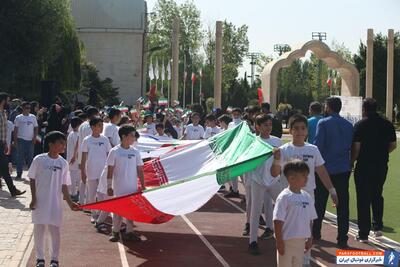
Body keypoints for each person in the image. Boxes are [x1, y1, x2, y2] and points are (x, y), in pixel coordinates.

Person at [271, 114, 338, 266]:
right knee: (286, 227)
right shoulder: (284, 150)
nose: (299, 131)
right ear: (290, 130)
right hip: (288, 197)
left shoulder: (313, 149)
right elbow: (274, 173)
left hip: (308, 195)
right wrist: (276, 159)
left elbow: (321, 171)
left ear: (307, 131)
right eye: (296, 128)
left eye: (302, 128)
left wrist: (332, 190)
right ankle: (283, 253)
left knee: (306, 227)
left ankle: (304, 260)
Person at [28, 131, 79, 267]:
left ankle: (54, 259)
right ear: (51, 144)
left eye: (64, 143)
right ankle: (40, 258)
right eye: (60, 143)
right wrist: (33, 199)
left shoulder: (63, 163)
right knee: (39, 230)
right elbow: (32, 178)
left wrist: (69, 202)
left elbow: (64, 185)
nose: (63, 146)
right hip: (40, 201)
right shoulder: (39, 159)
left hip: (55, 203)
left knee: (54, 230)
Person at [351, 98, 397, 241]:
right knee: (377, 194)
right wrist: (383, 153)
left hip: (364, 165)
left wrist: (351, 161)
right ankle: (377, 227)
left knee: (363, 198)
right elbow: (393, 145)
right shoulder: (387, 124)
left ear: (364, 109)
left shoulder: (360, 125)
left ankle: (363, 233)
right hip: (381, 165)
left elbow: (356, 148)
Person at [312, 97, 353, 248]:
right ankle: (342, 238)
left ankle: (316, 232)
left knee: (319, 202)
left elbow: (318, 146)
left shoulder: (323, 123)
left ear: (328, 107)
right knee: (343, 205)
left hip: (325, 169)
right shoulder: (349, 125)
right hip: (343, 169)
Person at [247, 114, 282, 254]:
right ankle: (252, 241)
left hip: (273, 180)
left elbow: (281, 160)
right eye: (265, 125)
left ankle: (287, 237)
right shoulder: (253, 141)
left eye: (270, 125)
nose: (268, 127)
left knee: (284, 205)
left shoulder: (277, 141)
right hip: (258, 180)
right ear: (258, 127)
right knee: (255, 211)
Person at [273, 160, 317, 267]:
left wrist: (310, 238)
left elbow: (310, 219)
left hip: (301, 242)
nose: (307, 178)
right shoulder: (284, 197)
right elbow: (278, 220)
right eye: (303, 175)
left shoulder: (307, 197)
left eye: (307, 175)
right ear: (291, 178)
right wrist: (279, 242)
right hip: (286, 242)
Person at [107, 125, 145, 242]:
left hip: (132, 187)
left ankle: (129, 231)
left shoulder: (136, 152)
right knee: (118, 210)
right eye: (132, 136)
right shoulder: (114, 151)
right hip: (119, 187)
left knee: (130, 210)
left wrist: (143, 185)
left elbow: (140, 169)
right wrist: (109, 186)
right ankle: (115, 231)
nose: (134, 138)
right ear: (123, 136)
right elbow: (110, 170)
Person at [80, 117, 112, 223]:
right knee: (92, 194)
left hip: (103, 171)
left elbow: (109, 155)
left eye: (102, 125)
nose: (101, 127)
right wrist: (83, 172)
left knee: (102, 193)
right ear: (92, 127)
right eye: (99, 125)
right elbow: (83, 157)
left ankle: (102, 213)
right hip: (91, 170)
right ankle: (94, 214)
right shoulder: (87, 140)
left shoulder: (105, 139)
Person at [0, 92, 25, 197]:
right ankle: (13, 190)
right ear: (3, 100)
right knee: (4, 167)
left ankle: (13, 190)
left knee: (4, 168)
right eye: (8, 100)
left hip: (1, 143)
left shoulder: (4, 112)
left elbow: (4, 130)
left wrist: (5, 143)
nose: (9, 102)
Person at [13, 101, 38, 179]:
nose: (28, 109)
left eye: (29, 108)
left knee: (30, 158)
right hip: (21, 140)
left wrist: (35, 138)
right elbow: (15, 130)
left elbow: (36, 127)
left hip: (30, 140)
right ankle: (19, 173)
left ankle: (31, 174)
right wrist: (15, 141)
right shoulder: (18, 117)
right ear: (23, 108)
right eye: (26, 108)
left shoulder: (33, 117)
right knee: (20, 157)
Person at [66, 117, 83, 201]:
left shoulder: (71, 134)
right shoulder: (76, 135)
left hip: (71, 158)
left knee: (73, 177)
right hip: (74, 159)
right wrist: (75, 157)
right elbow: (78, 147)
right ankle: (74, 194)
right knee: (74, 178)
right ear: (78, 125)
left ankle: (73, 193)